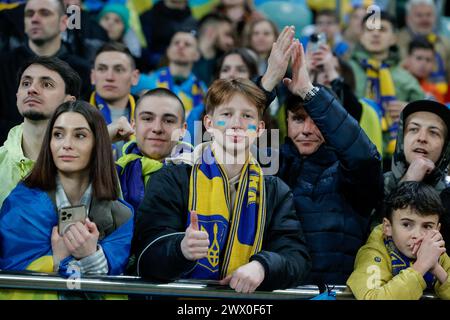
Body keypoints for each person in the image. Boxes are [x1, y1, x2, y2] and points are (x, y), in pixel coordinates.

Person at [133, 77, 311, 293]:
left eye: (247, 116)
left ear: (260, 129)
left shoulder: (275, 190)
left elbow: (297, 259)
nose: (236, 124)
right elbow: (144, 257)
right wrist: (181, 249)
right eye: (226, 114)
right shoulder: (173, 178)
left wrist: (263, 266)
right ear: (209, 124)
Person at [0, 100, 134, 299]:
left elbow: (121, 283)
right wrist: (57, 261)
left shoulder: (122, 215)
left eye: (79, 135)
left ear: (98, 144)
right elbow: (10, 278)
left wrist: (91, 256)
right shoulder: (20, 204)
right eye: (58, 135)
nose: (66, 144)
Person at [277, 38, 383, 286]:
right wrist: (269, 81)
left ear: (330, 123)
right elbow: (233, 142)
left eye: (316, 120)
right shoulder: (273, 163)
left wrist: (309, 93)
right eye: (298, 119)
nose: (306, 129)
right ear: (286, 122)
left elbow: (365, 158)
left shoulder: (348, 172)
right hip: (276, 292)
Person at [0, 0, 91, 145]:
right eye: (29, 14)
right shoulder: (3, 65)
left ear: (63, 22)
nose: (35, 19)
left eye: (45, 13)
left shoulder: (82, 70)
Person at [347, 181, 450, 300]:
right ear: (388, 227)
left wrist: (436, 269)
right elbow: (372, 297)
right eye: (406, 224)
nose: (417, 235)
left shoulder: (436, 253)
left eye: (427, 226)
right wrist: (421, 266)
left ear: (437, 229)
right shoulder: (373, 253)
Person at [348, 11, 425, 169]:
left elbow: (426, 116)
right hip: (351, 150)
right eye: (369, 30)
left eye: (382, 29)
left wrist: (410, 110)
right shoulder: (346, 71)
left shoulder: (406, 78)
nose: (375, 34)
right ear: (360, 36)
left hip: (396, 157)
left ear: (394, 38)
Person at [0, 57, 80, 207]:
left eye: (47, 84)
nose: (32, 89)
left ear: (69, 102)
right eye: (26, 83)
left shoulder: (92, 165)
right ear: (17, 95)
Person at [381, 99, 450, 250]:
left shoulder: (447, 197)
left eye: (433, 132)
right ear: (401, 139)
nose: (422, 138)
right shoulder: (375, 183)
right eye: (413, 129)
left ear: (445, 147)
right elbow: (374, 238)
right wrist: (408, 182)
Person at [116, 87, 188, 215]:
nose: (157, 128)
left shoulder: (199, 173)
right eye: (147, 119)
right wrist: (105, 135)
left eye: (168, 121)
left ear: (183, 129)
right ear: (133, 125)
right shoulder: (115, 172)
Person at [131, 31, 207, 144]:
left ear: (197, 55)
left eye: (187, 44)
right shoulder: (145, 81)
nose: (181, 46)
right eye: (176, 43)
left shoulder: (203, 91)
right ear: (168, 51)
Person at [89, 42, 139, 159]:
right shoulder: (73, 113)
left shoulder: (151, 115)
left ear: (134, 77)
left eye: (119, 69)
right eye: (102, 69)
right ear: (93, 76)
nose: (109, 77)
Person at [398, 0, 450, 91]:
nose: (424, 19)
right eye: (419, 15)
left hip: (441, 96)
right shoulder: (396, 41)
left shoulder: (446, 43)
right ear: (408, 18)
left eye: (428, 15)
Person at [192, 13, 235, 86]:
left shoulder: (223, 60)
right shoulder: (185, 55)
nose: (231, 41)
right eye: (227, 34)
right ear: (210, 32)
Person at [403, 37, 447, 103]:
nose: (423, 64)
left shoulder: (434, 92)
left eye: (428, 60)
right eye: (419, 58)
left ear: (433, 63)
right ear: (408, 58)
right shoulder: (396, 83)